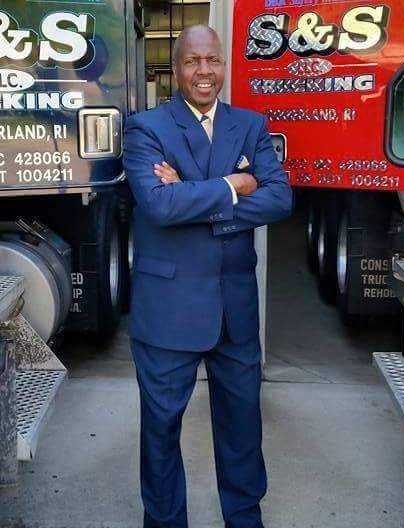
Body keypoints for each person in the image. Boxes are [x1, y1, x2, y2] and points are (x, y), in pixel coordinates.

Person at [123, 25, 292, 528]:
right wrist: (234, 185)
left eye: (213, 61)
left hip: (234, 309)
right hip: (167, 308)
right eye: (193, 61)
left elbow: (280, 198)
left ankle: (244, 518)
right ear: (176, 69)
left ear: (224, 66)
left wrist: (195, 195)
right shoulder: (146, 127)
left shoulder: (251, 125)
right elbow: (157, 205)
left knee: (242, 427)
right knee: (161, 429)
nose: (205, 72)